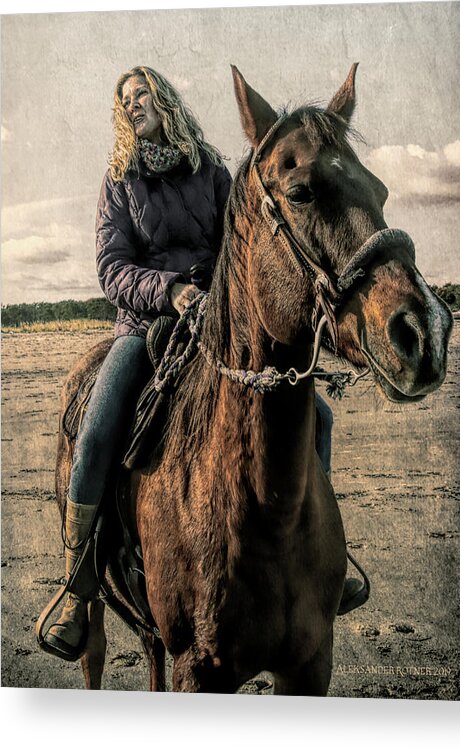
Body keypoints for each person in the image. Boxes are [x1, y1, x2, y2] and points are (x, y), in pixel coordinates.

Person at [41, 65, 362, 663]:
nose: (134, 105)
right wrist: (170, 292)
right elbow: (111, 270)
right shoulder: (120, 181)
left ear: (164, 97)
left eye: (141, 94)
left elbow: (239, 243)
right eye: (125, 100)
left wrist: (220, 297)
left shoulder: (213, 171)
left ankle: (320, 561)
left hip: (218, 323)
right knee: (97, 429)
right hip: (146, 327)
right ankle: (78, 588)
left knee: (316, 412)